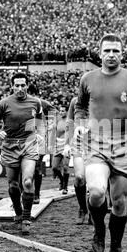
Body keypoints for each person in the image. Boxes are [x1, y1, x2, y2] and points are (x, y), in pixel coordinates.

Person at [74, 33, 127, 252]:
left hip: (124, 144)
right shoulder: (87, 79)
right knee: (97, 192)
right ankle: (99, 228)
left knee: (118, 201)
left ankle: (116, 248)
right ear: (99, 54)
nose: (111, 55)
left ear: (122, 53)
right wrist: (80, 125)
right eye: (107, 51)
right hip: (96, 143)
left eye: (115, 51)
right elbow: (80, 106)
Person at [0, 72, 42, 235]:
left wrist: (39, 132)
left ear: (27, 85)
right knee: (13, 185)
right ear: (12, 86)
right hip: (10, 145)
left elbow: (40, 118)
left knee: (26, 182)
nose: (20, 88)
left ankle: (26, 218)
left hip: (29, 143)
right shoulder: (4, 103)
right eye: (16, 85)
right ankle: (18, 212)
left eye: (22, 85)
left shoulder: (35, 102)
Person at [63, 96, 90, 225]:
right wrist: (67, 144)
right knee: (79, 177)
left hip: (98, 143)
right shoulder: (75, 101)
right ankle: (82, 208)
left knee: (94, 180)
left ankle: (94, 210)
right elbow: (69, 123)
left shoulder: (101, 98)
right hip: (79, 142)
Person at [34, 96, 58, 204]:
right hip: (25, 137)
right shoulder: (19, 102)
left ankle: (36, 194)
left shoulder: (41, 102)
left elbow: (54, 111)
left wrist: (50, 124)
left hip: (40, 138)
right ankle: (25, 193)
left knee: (37, 166)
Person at [52, 106, 70, 195]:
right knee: (54, 167)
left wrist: (68, 145)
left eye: (63, 111)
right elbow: (54, 132)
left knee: (66, 167)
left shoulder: (69, 121)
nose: (61, 112)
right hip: (57, 144)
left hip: (66, 145)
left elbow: (70, 134)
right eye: (60, 111)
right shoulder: (57, 120)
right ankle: (62, 180)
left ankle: (65, 187)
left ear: (67, 112)